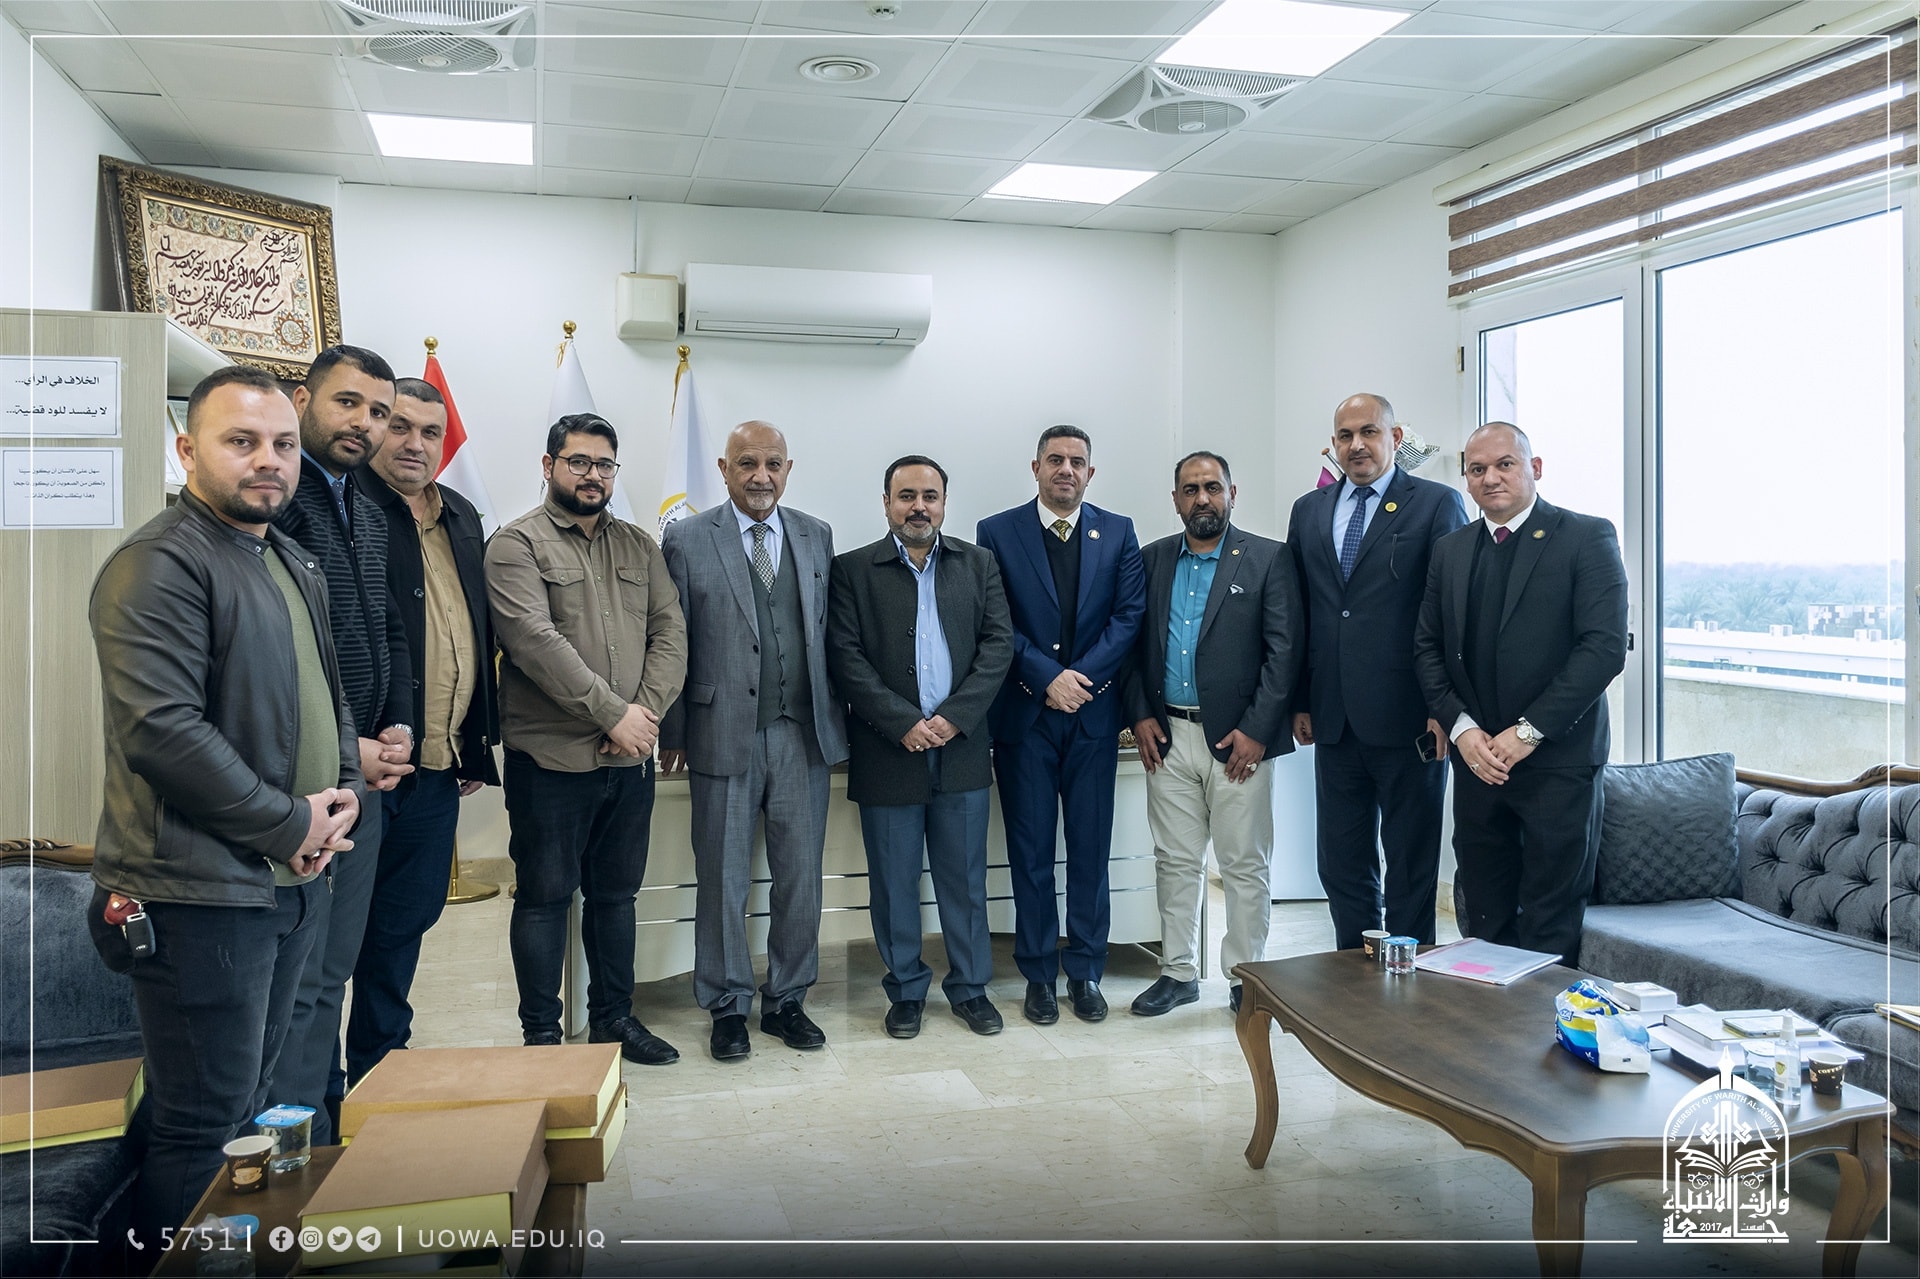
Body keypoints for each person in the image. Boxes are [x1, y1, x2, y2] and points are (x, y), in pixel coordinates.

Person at [88, 365, 361, 1243]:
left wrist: (343, 802)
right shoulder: (158, 564)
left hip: (288, 879)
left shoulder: (287, 557)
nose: (267, 460)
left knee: (247, 1106)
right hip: (200, 893)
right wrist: (290, 824)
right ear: (188, 449)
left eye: (282, 443)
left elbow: (330, 698)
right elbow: (162, 733)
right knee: (203, 1124)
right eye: (241, 441)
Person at [486, 413, 687, 1063]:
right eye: (579, 461)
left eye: (604, 464)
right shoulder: (515, 545)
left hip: (629, 758)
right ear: (549, 466)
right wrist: (611, 715)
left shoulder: (639, 546)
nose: (592, 474)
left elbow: (670, 632)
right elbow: (535, 643)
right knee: (544, 898)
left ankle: (614, 1020)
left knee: (616, 896)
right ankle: (542, 1038)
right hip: (550, 760)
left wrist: (641, 716)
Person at [661, 420, 847, 1061]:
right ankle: (727, 1005)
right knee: (722, 879)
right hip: (719, 733)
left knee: (801, 878)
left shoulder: (817, 534)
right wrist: (673, 729)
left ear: (788, 469)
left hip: (804, 735)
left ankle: (788, 999)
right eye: (746, 463)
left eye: (772, 463)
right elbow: (673, 638)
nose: (760, 476)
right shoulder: (686, 539)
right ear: (724, 469)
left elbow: (826, 632)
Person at [1413, 422, 1628, 963]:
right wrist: (1462, 732)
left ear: (1534, 468)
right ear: (1466, 480)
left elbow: (1603, 649)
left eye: (1504, 464)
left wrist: (1527, 733)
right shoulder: (1450, 550)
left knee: (1550, 919)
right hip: (1478, 764)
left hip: (1559, 764)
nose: (1491, 478)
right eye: (1477, 469)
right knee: (1484, 917)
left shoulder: (1586, 537)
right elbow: (1427, 649)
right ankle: (1489, 1019)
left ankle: (1543, 1020)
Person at [275, 344, 413, 1145]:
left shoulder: (366, 502)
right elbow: (281, 657)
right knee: (298, 980)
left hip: (364, 776)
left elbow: (386, 624)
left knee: (333, 971)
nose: (364, 423)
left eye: (378, 411)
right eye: (348, 402)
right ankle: (290, 1144)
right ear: (303, 400)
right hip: (304, 781)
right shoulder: (279, 500)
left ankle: (322, 1128)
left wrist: (395, 725)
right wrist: (345, 746)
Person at [826, 456, 1015, 1039]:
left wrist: (955, 718)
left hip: (961, 751)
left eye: (929, 496)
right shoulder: (852, 570)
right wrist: (902, 721)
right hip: (888, 752)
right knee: (894, 882)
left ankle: (970, 988)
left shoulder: (978, 564)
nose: (919, 507)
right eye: (906, 496)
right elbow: (845, 656)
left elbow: (998, 645)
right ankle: (905, 990)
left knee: (965, 881)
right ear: (886, 503)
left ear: (944, 503)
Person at [347, 377, 499, 1085]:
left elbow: (479, 632)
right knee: (339, 934)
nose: (415, 443)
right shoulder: (349, 508)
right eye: (399, 426)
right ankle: (313, 1088)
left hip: (438, 763)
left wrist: (474, 742)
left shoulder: (461, 514)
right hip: (365, 763)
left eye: (430, 432)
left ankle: (379, 1065)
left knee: (406, 919)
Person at [1287, 394, 1469, 951]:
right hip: (1334, 719)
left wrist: (1445, 710)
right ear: (1333, 444)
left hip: (1411, 720)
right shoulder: (1309, 510)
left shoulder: (1436, 504)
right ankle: (1354, 970)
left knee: (1410, 862)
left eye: (1369, 432)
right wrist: (1300, 699)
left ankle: (1411, 982)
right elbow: (1300, 611)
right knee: (1340, 861)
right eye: (1345, 435)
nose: (1357, 445)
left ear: (1395, 438)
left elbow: (1450, 613)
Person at [976, 425, 1145, 1024]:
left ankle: (1087, 971)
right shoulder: (997, 532)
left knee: (1090, 852)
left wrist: (1079, 681)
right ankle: (1039, 975)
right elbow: (997, 620)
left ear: (1090, 473)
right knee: (1031, 853)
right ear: (1036, 468)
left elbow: (1128, 618)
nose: (1066, 470)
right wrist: (1047, 677)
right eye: (1055, 460)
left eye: (1077, 461)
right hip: (1025, 717)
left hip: (1094, 719)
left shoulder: (1119, 531)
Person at [1126, 451, 1299, 1015]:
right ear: (1175, 500)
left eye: (1213, 487)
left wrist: (1258, 730)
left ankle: (1247, 979)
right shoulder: (1151, 559)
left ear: (1232, 493)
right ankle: (1178, 973)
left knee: (1244, 863)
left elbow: (1284, 653)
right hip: (1168, 736)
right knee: (1175, 860)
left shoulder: (1268, 558)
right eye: (1191, 489)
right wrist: (1139, 714)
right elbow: (1131, 644)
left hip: (1239, 743)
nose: (1203, 498)